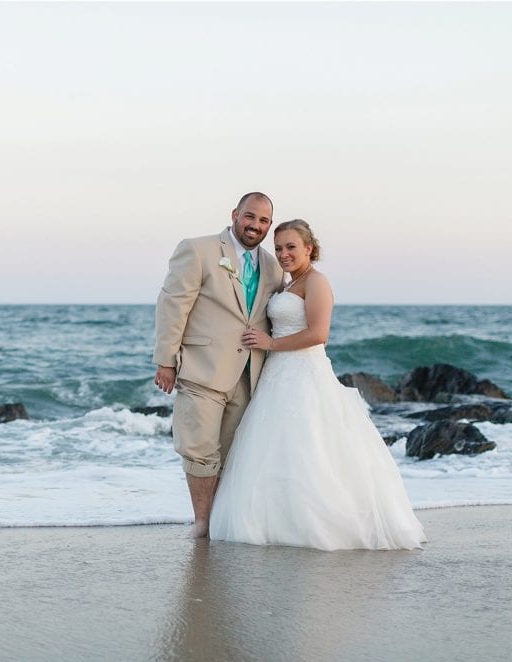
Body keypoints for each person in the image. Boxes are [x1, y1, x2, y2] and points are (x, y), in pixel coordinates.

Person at [209, 220, 426, 550]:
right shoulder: (286, 285)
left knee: (308, 445)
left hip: (304, 372)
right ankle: (276, 521)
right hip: (276, 375)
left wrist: (270, 345)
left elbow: (318, 334)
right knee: (274, 447)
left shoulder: (317, 282)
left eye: (291, 247)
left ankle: (316, 524)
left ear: (309, 248)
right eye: (279, 248)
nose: (283, 254)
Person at [153, 192, 285, 538]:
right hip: (202, 366)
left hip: (249, 374)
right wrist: (166, 361)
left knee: (229, 453)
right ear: (235, 214)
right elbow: (173, 305)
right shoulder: (198, 250)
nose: (255, 225)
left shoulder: (273, 266)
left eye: (264, 221)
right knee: (199, 448)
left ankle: (220, 523)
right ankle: (202, 523)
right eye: (250, 217)